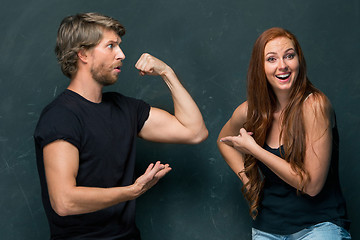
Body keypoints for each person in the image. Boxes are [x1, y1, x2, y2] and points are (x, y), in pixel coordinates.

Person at [34, 12, 208, 239]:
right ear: (83, 54)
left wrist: (167, 73)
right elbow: (64, 201)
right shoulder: (60, 116)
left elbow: (195, 132)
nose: (122, 54)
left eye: (119, 46)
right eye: (110, 46)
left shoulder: (125, 108)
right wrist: (131, 192)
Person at [217, 27, 351, 239]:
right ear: (260, 67)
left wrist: (254, 150)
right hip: (267, 228)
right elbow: (224, 141)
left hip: (319, 226)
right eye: (271, 59)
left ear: (299, 60)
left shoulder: (314, 105)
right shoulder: (250, 111)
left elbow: (312, 185)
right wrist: (250, 183)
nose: (283, 65)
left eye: (289, 56)